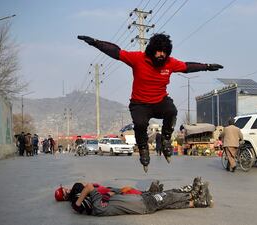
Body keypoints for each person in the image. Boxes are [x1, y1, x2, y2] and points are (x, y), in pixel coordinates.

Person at [78, 34, 223, 172]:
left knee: (171, 111)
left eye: (164, 52)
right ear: (152, 50)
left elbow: (187, 67)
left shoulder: (169, 63)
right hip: (139, 104)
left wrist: (207, 66)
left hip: (159, 101)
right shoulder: (138, 58)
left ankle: (166, 140)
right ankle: (143, 149)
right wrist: (96, 43)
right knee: (140, 124)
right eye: (159, 51)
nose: (162, 55)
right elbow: (116, 52)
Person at [61, 177, 213, 216]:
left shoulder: (100, 205)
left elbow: (96, 191)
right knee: (166, 197)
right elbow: (89, 188)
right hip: (142, 204)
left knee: (166, 201)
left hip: (142, 203)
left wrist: (114, 192)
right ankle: (190, 194)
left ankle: (197, 202)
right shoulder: (99, 206)